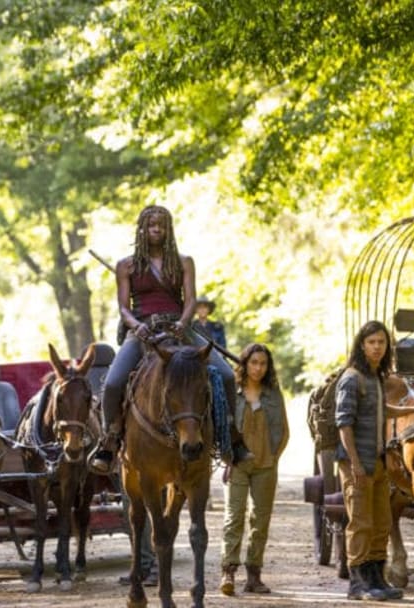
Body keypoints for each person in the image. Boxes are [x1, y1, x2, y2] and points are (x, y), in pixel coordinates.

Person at [89, 204, 247, 473]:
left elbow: (191, 299)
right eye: (151, 224)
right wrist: (136, 326)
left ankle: (230, 434)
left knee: (227, 375)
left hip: (179, 328)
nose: (156, 229)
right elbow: (124, 308)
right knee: (114, 382)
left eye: (162, 224)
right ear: (142, 228)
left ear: (169, 229)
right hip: (143, 332)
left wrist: (182, 323)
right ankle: (109, 440)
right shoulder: (125, 265)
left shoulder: (184, 262)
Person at [335, 321, 404, 601]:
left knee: (381, 521)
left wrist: (413, 408)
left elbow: (380, 410)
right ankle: (357, 583)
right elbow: (344, 424)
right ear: (362, 345)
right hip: (357, 463)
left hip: (377, 462)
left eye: (382, 343)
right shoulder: (352, 378)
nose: (377, 347)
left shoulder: (376, 378)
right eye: (372, 342)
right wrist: (355, 463)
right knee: (361, 523)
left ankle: (377, 578)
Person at [219, 343, 289, 596]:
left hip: (265, 465)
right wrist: (227, 458)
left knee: (260, 521)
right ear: (245, 364)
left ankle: (254, 575)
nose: (258, 368)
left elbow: (283, 430)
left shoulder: (273, 394)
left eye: (263, 363)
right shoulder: (231, 392)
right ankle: (228, 571)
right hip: (237, 464)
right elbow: (222, 428)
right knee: (234, 517)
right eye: (254, 362)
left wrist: (273, 457)